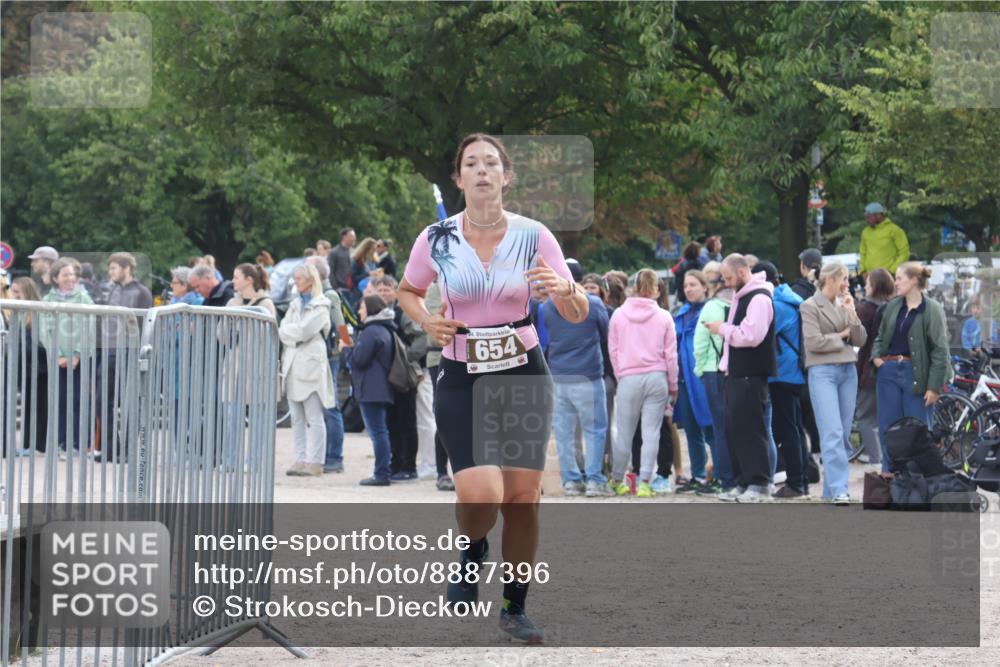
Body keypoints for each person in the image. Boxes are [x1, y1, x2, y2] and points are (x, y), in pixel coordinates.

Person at [397, 133, 587, 643]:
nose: (482, 171)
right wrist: (427, 320)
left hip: (523, 371)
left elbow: (575, 311)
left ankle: (514, 606)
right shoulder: (436, 238)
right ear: (458, 179)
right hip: (462, 375)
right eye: (471, 164)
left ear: (507, 177)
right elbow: (409, 290)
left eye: (491, 163)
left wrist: (565, 289)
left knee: (523, 498)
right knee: (481, 496)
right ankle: (473, 545)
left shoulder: (535, 236)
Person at [704, 254, 775, 503]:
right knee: (735, 430)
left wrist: (722, 328)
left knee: (752, 431)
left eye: (728, 278)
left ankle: (759, 484)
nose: (726, 283)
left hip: (750, 373)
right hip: (735, 372)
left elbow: (751, 336)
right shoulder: (744, 295)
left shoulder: (759, 298)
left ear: (743, 272)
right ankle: (744, 481)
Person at [871, 262, 951, 472]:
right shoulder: (892, 306)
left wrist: (934, 387)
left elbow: (940, 349)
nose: (895, 283)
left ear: (914, 280)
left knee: (918, 431)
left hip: (916, 374)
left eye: (899, 278)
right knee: (888, 429)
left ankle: (918, 479)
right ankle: (890, 477)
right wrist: (877, 359)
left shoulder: (932, 309)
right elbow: (880, 336)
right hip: (888, 372)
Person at [543, 260, 613, 497]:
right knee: (594, 430)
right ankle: (595, 480)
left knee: (564, 433)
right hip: (588, 375)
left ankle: (571, 480)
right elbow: (605, 335)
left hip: (559, 376)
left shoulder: (548, 307)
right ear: (580, 279)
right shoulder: (593, 303)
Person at [801, 261, 867, 505]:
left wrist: (852, 313)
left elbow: (861, 339)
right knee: (832, 432)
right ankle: (840, 489)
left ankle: (831, 491)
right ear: (830, 279)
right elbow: (813, 342)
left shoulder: (845, 303)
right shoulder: (809, 306)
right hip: (823, 372)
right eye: (844, 279)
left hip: (848, 371)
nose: (847, 284)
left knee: (843, 434)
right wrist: (841, 335)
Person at [609, 268, 678, 498]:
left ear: (635, 288)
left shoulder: (619, 315)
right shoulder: (664, 317)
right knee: (652, 432)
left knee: (625, 433)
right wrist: (673, 384)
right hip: (657, 377)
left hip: (629, 377)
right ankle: (646, 482)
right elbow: (671, 356)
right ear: (657, 289)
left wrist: (621, 376)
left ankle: (617, 479)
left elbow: (613, 351)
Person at [278, 263, 335, 477]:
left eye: (299, 278)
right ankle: (300, 458)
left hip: (310, 364)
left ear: (311, 280)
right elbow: (282, 329)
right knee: (296, 417)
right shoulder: (294, 304)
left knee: (314, 415)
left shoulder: (322, 305)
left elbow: (304, 331)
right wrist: (290, 332)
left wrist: (289, 332)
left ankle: (316, 461)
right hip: (292, 362)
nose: (296, 282)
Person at [98, 252, 153, 459]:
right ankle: (111, 447)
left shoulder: (142, 292)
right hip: (110, 351)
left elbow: (143, 324)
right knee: (102, 399)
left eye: (114, 268)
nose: (110, 272)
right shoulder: (111, 290)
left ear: (126, 268)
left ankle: (129, 449)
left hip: (131, 351)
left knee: (131, 401)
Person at [39, 257, 94, 458]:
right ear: (55, 278)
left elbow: (89, 329)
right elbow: (44, 330)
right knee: (60, 401)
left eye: (73, 274)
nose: (71, 278)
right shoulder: (47, 301)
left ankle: (80, 444)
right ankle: (62, 443)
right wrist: (58, 355)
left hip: (80, 358)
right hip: (57, 359)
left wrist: (76, 354)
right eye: (65, 274)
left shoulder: (85, 299)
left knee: (80, 400)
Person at [373, 275, 427, 483]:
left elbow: (422, 338)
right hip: (386, 377)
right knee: (392, 422)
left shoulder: (403, 312)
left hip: (403, 376)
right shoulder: (375, 312)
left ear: (396, 292)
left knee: (407, 421)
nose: (383, 293)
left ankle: (408, 466)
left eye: (387, 289)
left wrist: (405, 359)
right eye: (380, 289)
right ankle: (395, 464)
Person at [763, 262, 809, 498]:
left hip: (781, 374)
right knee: (796, 429)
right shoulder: (790, 299)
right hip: (794, 372)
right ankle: (803, 480)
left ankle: (795, 483)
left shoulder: (776, 306)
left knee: (788, 430)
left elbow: (762, 335)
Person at [342, 294, 397, 486]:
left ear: (371, 309)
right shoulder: (385, 328)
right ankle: (383, 471)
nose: (359, 311)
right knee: (381, 431)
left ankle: (381, 473)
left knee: (378, 432)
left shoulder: (371, 331)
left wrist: (346, 348)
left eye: (362, 307)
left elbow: (358, 361)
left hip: (371, 388)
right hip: (380, 387)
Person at [693, 261, 736, 495]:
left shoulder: (711, 307)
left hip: (713, 370)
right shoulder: (739, 304)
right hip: (735, 371)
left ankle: (725, 479)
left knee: (720, 429)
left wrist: (699, 370)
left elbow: (700, 343)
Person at [673, 270, 715, 493]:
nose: (688, 289)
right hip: (683, 378)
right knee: (690, 429)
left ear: (704, 287)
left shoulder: (711, 310)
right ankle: (698, 474)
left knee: (710, 427)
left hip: (703, 376)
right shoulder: (682, 313)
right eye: (685, 286)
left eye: (693, 285)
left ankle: (718, 475)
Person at [306, 256, 347, 474]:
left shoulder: (329, 295)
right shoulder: (315, 295)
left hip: (329, 357)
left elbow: (341, 326)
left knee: (331, 405)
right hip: (320, 356)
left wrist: (343, 347)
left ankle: (334, 456)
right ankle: (326, 455)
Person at [855, 268, 895, 467]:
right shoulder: (895, 307)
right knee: (885, 418)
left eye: (868, 282)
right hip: (892, 370)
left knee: (864, 418)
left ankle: (876, 461)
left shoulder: (865, 310)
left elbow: (860, 344)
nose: (865, 285)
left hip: (870, 371)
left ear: (875, 286)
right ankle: (887, 459)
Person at [7, 277, 48, 456]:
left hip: (39, 367)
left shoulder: (37, 313)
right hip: (26, 366)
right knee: (29, 406)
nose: (13, 294)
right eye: (12, 290)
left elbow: (40, 343)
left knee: (39, 406)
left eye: (17, 291)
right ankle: (28, 444)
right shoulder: (18, 312)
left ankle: (38, 445)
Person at [859, 203, 910, 276]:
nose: (867, 220)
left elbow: (904, 253)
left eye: (868, 217)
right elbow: (862, 253)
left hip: (889, 276)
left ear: (878, 215)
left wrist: (892, 271)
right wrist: (863, 271)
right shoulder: (865, 232)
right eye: (865, 217)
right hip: (869, 276)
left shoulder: (894, 230)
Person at [328, 227, 356, 292]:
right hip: (340, 288)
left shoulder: (354, 252)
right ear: (344, 237)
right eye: (352, 236)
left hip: (353, 289)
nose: (354, 239)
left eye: (354, 236)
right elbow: (330, 271)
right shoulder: (334, 252)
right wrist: (335, 288)